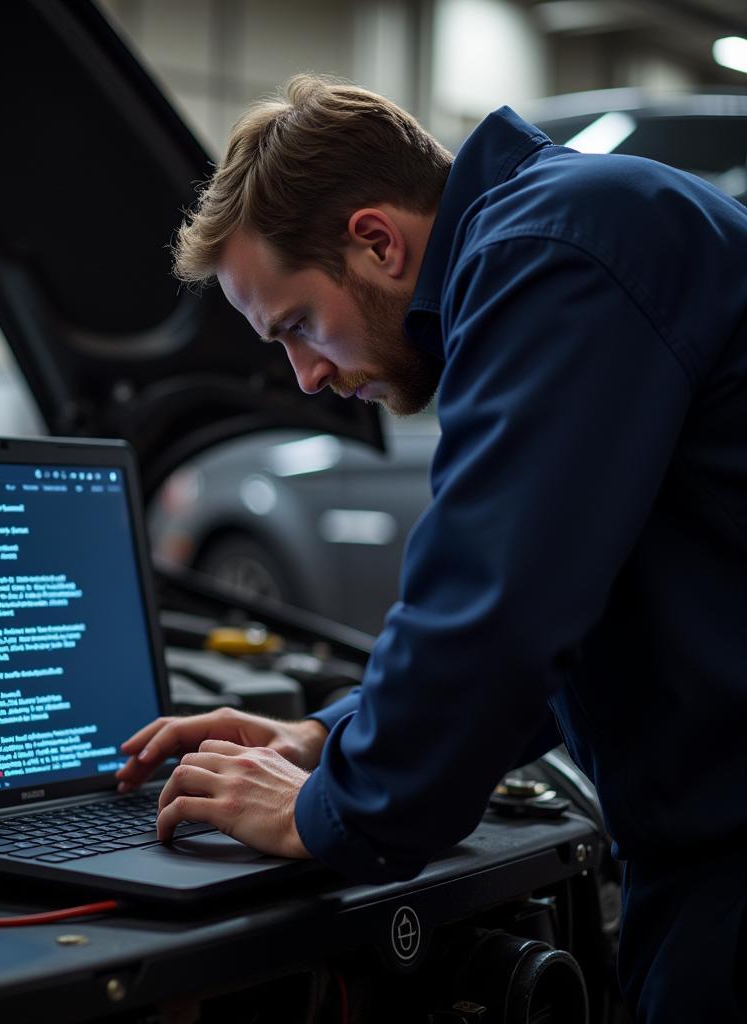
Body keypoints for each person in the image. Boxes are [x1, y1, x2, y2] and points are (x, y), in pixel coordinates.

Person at [114, 75, 747, 1022]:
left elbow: (498, 608)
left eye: (297, 327)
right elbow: (576, 604)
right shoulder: (568, 230)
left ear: (377, 240)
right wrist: (324, 737)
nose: (309, 376)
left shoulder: (550, 252)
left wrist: (323, 810)